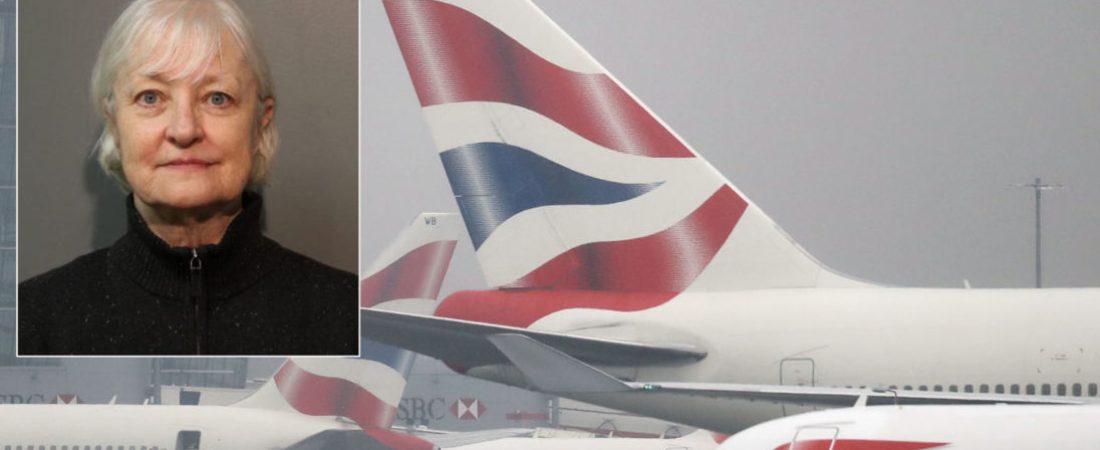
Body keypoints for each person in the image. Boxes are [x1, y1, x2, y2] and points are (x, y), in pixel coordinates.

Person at [18, 0, 357, 355]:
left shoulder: (351, 318)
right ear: (115, 121)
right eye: (150, 97)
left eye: (217, 98)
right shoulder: (34, 321)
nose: (184, 130)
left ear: (260, 122)